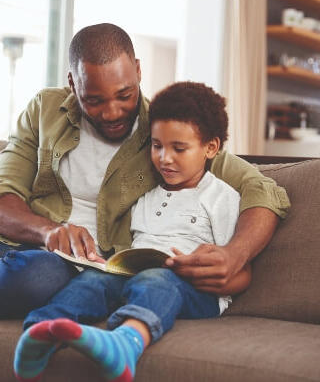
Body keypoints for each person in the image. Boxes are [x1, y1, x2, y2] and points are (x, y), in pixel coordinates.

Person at [0, 23, 289, 324]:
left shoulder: (165, 133)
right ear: (72, 82)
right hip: (11, 244)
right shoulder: (45, 110)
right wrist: (48, 231)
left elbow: (263, 189)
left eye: (124, 95)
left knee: (39, 276)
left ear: (139, 72)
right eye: (94, 100)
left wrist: (234, 255)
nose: (112, 112)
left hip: (71, 271)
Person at [13, 81, 251, 382]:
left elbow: (243, 274)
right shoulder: (144, 198)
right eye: (157, 146)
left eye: (179, 148)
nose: (165, 158)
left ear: (211, 147)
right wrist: (106, 262)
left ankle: (127, 340)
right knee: (94, 278)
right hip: (134, 277)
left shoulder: (222, 197)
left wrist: (214, 273)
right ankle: (41, 331)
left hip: (194, 291)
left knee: (159, 278)